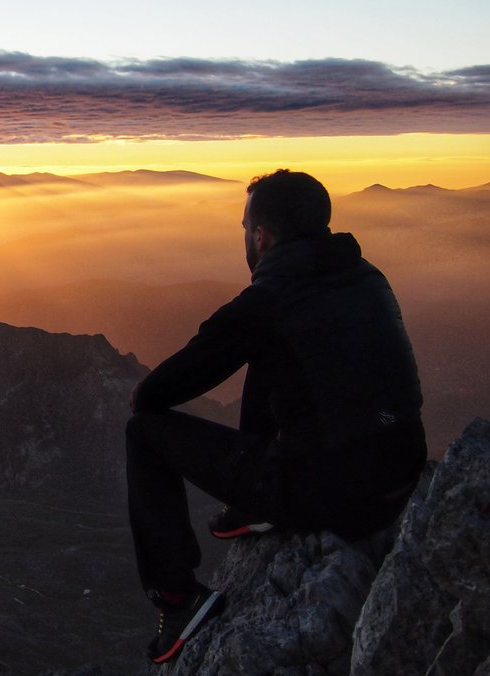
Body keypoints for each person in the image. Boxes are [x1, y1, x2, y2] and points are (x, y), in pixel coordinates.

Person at [125, 169, 426, 664]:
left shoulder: (269, 299)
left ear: (261, 236)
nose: (245, 237)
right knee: (277, 350)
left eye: (245, 228)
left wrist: (144, 392)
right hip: (402, 471)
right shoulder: (366, 274)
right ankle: (254, 508)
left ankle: (176, 597)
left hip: (339, 497)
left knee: (143, 432)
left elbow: (157, 393)